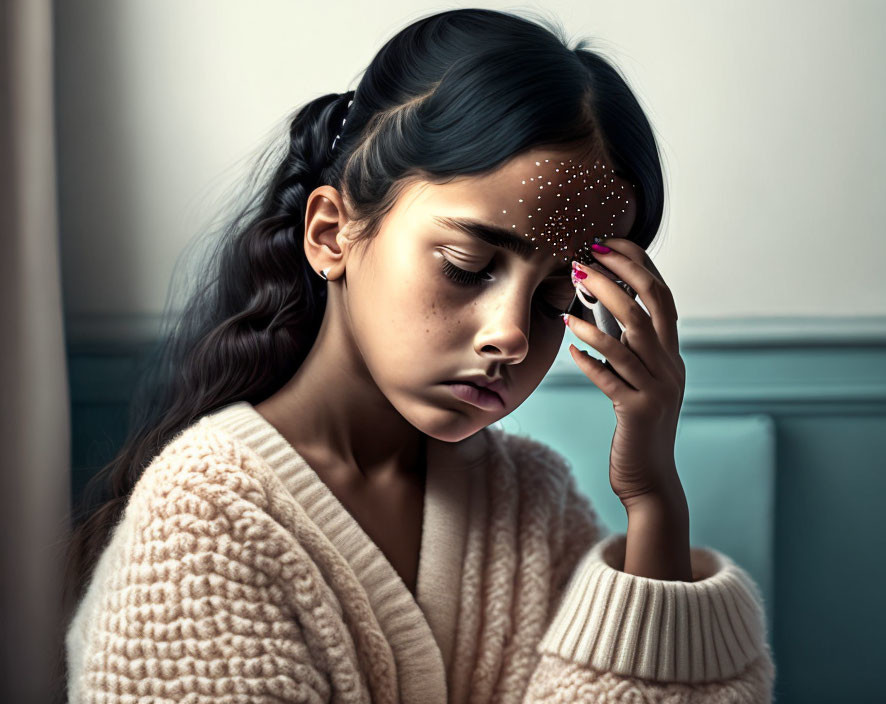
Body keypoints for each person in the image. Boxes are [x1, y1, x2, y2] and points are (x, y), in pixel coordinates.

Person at [62, 8, 775, 702]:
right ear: (332, 233)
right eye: (467, 266)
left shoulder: (532, 503)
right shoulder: (202, 524)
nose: (513, 335)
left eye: (558, 299)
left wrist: (652, 500)